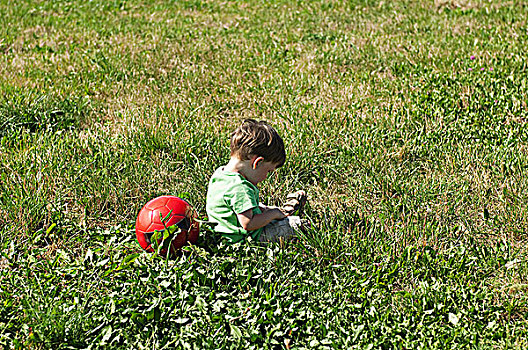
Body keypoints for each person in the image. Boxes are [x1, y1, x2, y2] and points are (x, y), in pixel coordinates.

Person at [206, 119, 307, 243]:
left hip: (222, 237)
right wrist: (273, 214)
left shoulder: (220, 174)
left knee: (271, 212)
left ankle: (286, 211)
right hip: (244, 239)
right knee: (297, 225)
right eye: (268, 171)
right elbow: (248, 223)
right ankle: (289, 214)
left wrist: (266, 210)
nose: (266, 177)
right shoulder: (240, 187)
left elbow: (234, 207)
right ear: (257, 162)